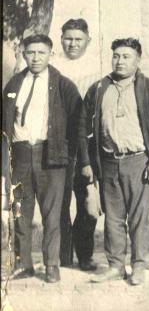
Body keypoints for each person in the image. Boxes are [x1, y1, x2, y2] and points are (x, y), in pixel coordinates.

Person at [87, 38, 149, 286]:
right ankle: (115, 265)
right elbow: (85, 125)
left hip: (140, 162)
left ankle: (138, 265)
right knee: (113, 217)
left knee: (138, 217)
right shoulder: (99, 88)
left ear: (138, 60)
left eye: (126, 56)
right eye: (116, 55)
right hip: (109, 161)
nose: (120, 60)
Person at [3, 34, 85, 283]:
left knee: (52, 214)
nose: (36, 57)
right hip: (20, 155)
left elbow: (77, 124)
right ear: (23, 54)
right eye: (31, 53)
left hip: (50, 156)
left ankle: (52, 264)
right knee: (20, 212)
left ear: (51, 54)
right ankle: (24, 263)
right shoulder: (14, 84)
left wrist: (69, 156)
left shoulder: (63, 85)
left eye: (41, 52)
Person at [50, 18, 101, 271]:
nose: (72, 43)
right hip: (59, 142)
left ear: (88, 41)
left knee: (86, 202)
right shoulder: (53, 67)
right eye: (68, 38)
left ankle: (85, 255)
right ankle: (63, 255)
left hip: (87, 146)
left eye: (78, 39)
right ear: (61, 40)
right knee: (59, 202)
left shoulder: (97, 68)